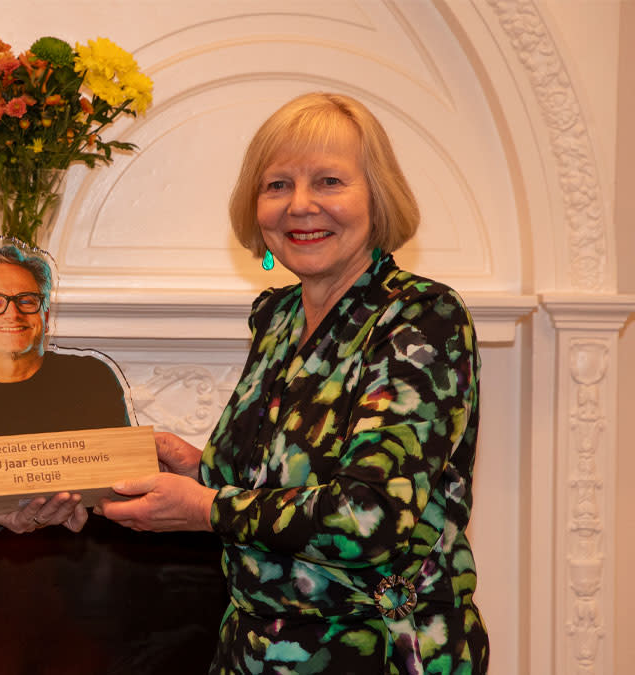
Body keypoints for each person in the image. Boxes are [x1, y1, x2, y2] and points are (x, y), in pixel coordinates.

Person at [97, 92, 490, 673]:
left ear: (376, 197)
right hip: (252, 650)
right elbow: (277, 482)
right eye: (277, 185)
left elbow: (367, 517)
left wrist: (206, 506)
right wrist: (197, 469)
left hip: (378, 652)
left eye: (329, 181)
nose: (300, 206)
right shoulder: (275, 317)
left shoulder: (423, 317)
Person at [0, 243, 227, 675]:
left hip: (88, 577)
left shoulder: (91, 377)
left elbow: (117, 478)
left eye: (27, 300)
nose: (12, 313)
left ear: (45, 314)